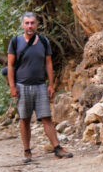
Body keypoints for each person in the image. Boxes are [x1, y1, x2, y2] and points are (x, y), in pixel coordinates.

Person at [7, 12, 72, 162]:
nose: (30, 26)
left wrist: (51, 84)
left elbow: (48, 63)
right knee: (25, 119)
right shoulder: (15, 42)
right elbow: (10, 65)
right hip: (22, 86)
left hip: (40, 85)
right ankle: (27, 151)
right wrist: (12, 86)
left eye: (32, 23)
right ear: (23, 25)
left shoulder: (44, 41)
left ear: (37, 24)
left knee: (46, 118)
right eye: (27, 23)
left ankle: (57, 148)